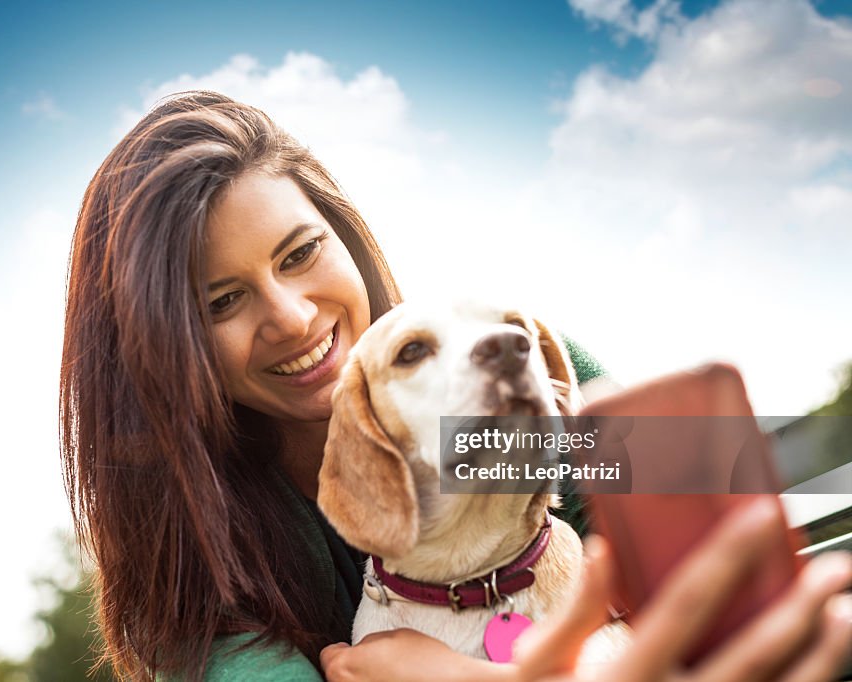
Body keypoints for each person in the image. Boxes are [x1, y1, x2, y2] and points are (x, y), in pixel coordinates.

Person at [59, 91, 852, 682]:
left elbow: (756, 488)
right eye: (223, 303)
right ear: (163, 351)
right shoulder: (195, 551)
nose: (292, 318)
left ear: (345, 234)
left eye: (300, 253)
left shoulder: (498, 392)